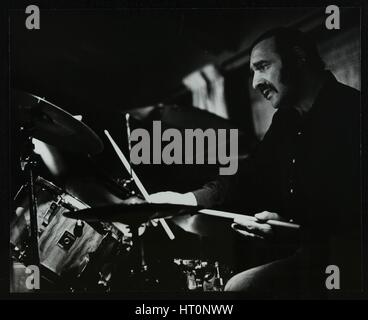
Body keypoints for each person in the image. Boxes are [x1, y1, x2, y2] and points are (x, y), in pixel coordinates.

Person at [150, 27, 362, 298]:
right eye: (252, 71)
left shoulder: (352, 112)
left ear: (298, 58)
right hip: (313, 253)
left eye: (263, 67)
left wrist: (296, 231)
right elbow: (248, 179)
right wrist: (187, 200)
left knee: (240, 288)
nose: (255, 82)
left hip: (350, 260)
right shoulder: (286, 121)